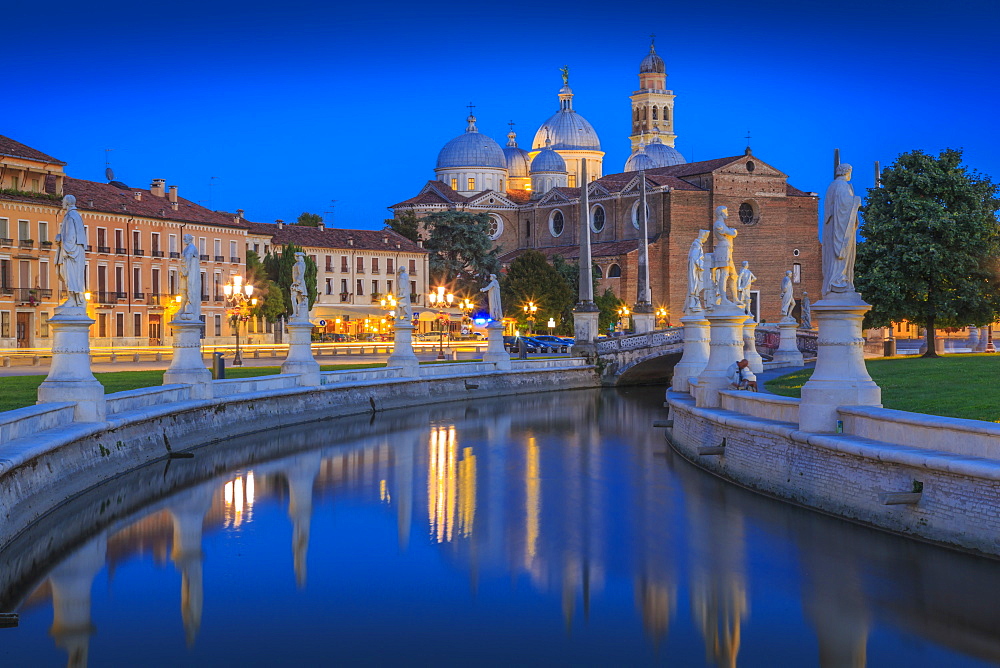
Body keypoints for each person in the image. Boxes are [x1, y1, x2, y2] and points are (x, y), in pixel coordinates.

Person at [822, 163, 862, 296]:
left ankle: (835, 279)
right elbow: (843, 208)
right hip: (840, 229)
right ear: (847, 172)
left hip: (831, 230)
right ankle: (838, 279)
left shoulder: (831, 186)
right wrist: (856, 200)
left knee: (833, 258)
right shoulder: (842, 186)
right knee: (841, 256)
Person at [54, 195, 87, 309]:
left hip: (71, 253)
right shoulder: (75, 216)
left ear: (67, 203)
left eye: (63, 202)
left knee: (69, 275)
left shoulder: (70, 216)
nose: (62, 203)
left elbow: (71, 237)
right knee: (67, 274)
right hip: (74, 251)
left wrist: (62, 242)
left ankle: (73, 299)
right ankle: (72, 298)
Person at [710, 205, 738, 305]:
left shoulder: (722, 224)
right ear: (721, 213)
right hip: (722, 250)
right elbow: (732, 233)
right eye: (726, 211)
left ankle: (735, 299)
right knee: (724, 274)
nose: (727, 214)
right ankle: (724, 299)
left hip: (728, 250)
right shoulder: (718, 224)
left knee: (733, 275)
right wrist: (733, 231)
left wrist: (732, 231)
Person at [685, 230, 709, 314]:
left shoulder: (697, 245)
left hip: (696, 269)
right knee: (695, 285)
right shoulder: (696, 246)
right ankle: (693, 303)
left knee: (697, 286)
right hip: (695, 270)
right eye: (706, 238)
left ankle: (695, 302)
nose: (706, 240)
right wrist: (703, 266)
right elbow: (694, 258)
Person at [178, 234, 200, 320]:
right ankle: (182, 307)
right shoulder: (187, 248)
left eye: (185, 238)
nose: (183, 240)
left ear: (189, 239)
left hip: (189, 272)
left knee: (190, 287)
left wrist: (186, 271)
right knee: (183, 289)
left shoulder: (191, 248)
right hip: (185, 271)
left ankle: (190, 306)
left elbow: (188, 259)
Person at [290, 252, 308, 321]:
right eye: (295, 256)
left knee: (294, 298)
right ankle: (297, 313)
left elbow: (301, 274)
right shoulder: (299, 264)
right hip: (297, 283)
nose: (296, 258)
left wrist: (297, 282)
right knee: (298, 298)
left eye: (297, 256)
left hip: (298, 283)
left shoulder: (300, 264)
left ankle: (295, 313)